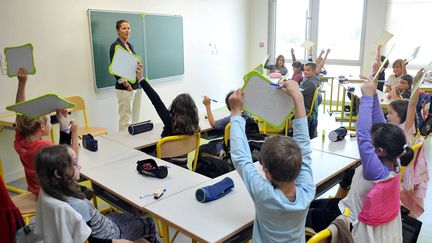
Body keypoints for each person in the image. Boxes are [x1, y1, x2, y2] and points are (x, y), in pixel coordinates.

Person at [306, 81, 414, 242]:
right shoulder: (394, 160)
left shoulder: (375, 171)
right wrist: (375, 95)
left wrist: (367, 98)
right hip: (346, 206)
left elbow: (363, 133)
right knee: (312, 203)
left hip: (347, 218)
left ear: (379, 151)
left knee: (301, 213)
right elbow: (379, 126)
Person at [229, 80, 315, 242]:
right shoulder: (307, 191)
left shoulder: (263, 193)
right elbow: (304, 144)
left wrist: (235, 112)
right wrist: (297, 96)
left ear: (267, 172)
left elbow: (241, 158)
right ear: (298, 166)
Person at [35, 145, 158, 243]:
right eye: (74, 164)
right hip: (111, 235)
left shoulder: (49, 189)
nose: (80, 166)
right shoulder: (78, 204)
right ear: (58, 173)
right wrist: (116, 241)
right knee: (148, 222)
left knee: (119, 214)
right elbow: (91, 240)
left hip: (104, 223)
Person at [13, 68, 79, 196]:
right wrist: (74, 133)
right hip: (53, 193)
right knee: (77, 179)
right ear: (42, 127)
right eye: (49, 121)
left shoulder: (20, 143)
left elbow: (19, 112)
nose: (50, 123)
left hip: (37, 192)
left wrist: (22, 83)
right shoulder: (44, 148)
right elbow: (72, 160)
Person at [137, 64, 200, 168]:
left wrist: (141, 79)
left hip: (165, 169)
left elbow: (156, 101)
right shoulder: (194, 127)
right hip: (184, 169)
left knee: (142, 152)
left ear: (174, 107)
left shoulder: (169, 120)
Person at [109, 19, 143, 131]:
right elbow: (116, 69)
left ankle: (135, 145)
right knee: (125, 120)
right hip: (125, 89)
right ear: (118, 31)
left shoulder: (130, 46)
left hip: (136, 86)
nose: (127, 30)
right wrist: (127, 85)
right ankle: (125, 146)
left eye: (128, 28)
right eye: (124, 28)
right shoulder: (115, 46)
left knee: (135, 119)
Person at [299, 63, 322, 138]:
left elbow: (298, 93)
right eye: (304, 70)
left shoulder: (310, 83)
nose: (305, 72)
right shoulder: (312, 79)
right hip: (305, 104)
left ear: (314, 71)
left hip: (305, 106)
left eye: (308, 70)